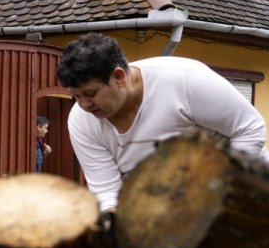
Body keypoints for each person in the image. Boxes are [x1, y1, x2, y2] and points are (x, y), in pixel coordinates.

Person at [59, 33, 268, 212]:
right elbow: (107, 193)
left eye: (90, 94)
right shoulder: (81, 121)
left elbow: (250, 128)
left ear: (119, 77)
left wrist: (218, 189)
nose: (84, 105)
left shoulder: (183, 80)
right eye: (76, 96)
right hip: (171, 214)